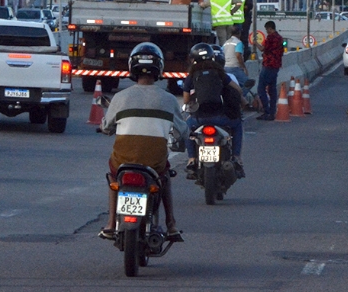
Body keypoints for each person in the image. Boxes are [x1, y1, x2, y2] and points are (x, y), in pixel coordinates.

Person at [98, 42, 188, 241]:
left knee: (113, 176)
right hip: (154, 162)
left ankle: (111, 223)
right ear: (159, 68)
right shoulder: (169, 99)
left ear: (132, 68)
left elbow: (106, 127)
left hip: (123, 161)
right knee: (164, 176)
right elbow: (182, 130)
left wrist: (107, 128)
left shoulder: (120, 97)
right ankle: (171, 224)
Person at [182, 43, 244, 178]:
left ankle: (192, 158)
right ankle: (236, 156)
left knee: (186, 128)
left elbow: (186, 100)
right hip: (220, 117)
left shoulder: (192, 74)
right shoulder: (219, 72)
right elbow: (237, 89)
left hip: (198, 118)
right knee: (237, 124)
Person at [256, 21, 285, 121]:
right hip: (276, 66)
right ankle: (272, 113)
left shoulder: (271, 38)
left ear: (269, 28)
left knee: (261, 89)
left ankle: (266, 111)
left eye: (267, 29)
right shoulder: (280, 38)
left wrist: (256, 43)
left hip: (268, 65)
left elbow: (262, 49)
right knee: (272, 90)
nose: (266, 32)